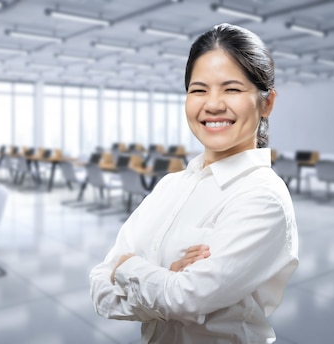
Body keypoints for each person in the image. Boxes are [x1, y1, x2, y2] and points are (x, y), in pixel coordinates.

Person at [89, 23, 299, 343]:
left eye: (231, 89)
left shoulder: (263, 196)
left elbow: (186, 298)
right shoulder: (170, 185)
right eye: (198, 90)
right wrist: (164, 280)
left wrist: (129, 267)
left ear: (266, 102)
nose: (212, 104)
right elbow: (100, 288)